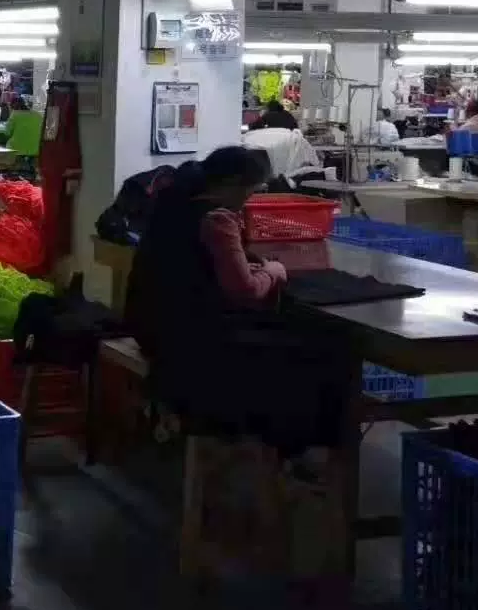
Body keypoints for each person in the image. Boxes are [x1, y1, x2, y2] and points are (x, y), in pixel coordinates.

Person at [126, 146, 349, 455]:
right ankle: (296, 451)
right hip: (192, 345)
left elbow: (195, 269)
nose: (249, 199)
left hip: (153, 330)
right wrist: (273, 272)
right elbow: (245, 291)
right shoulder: (218, 219)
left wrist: (245, 266)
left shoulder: (169, 208)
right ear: (232, 183)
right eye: (250, 190)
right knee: (324, 349)